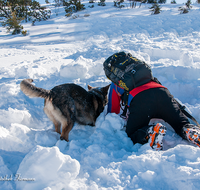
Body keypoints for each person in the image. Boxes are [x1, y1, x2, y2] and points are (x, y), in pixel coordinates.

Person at [104, 52, 200, 150]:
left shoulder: (116, 84)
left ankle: (150, 133)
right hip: (163, 93)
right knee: (181, 124)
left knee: (133, 132)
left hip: (141, 100)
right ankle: (190, 131)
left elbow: (112, 111)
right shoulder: (144, 75)